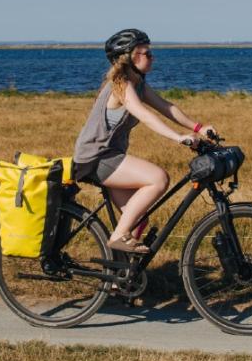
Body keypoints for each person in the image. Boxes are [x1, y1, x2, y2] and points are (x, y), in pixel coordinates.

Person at [73, 28, 216, 253]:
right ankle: (118, 236)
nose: (151, 57)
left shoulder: (138, 83)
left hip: (110, 157)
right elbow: (145, 115)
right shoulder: (121, 85)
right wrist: (179, 138)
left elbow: (166, 107)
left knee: (138, 220)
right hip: (96, 158)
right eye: (145, 53)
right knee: (158, 178)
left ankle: (118, 281)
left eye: (150, 53)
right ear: (127, 57)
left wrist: (198, 127)